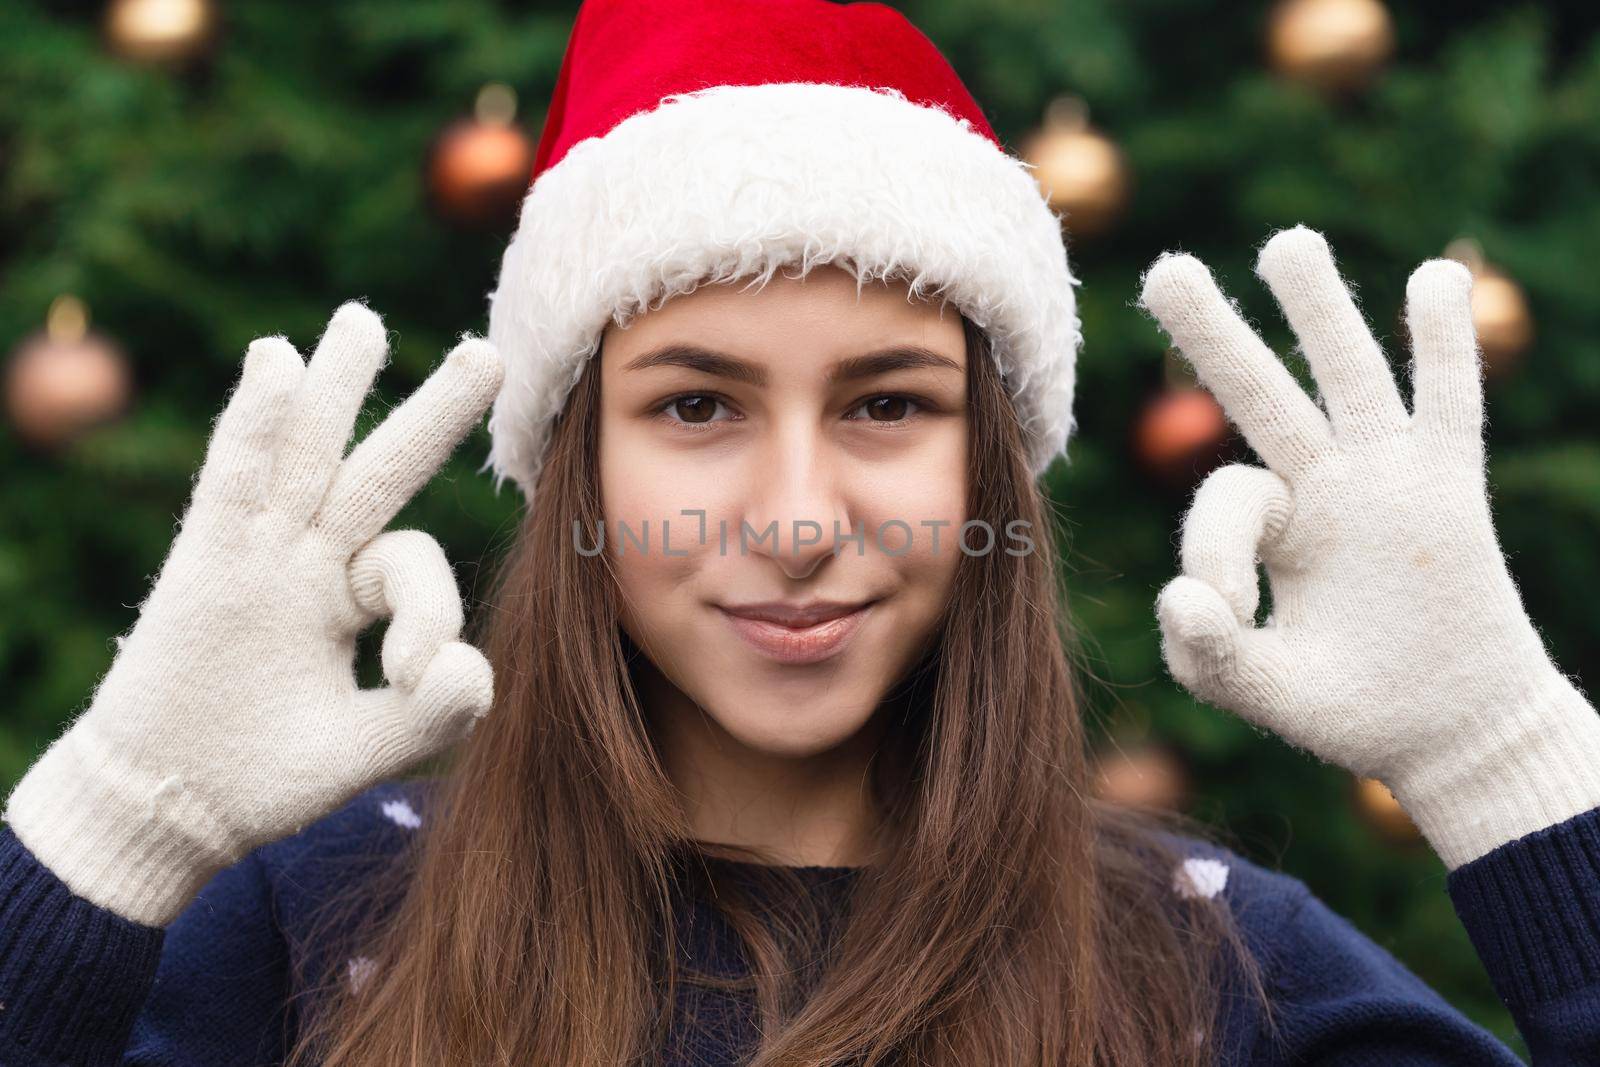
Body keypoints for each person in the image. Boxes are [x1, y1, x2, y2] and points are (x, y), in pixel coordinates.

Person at [3, 0, 1598, 1064]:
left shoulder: (1217, 982)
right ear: (578, 472)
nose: (790, 520)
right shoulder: (313, 938)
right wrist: (119, 815)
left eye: (888, 406)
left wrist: (1507, 758)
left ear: (993, 472)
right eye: (694, 406)